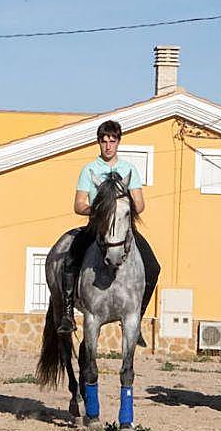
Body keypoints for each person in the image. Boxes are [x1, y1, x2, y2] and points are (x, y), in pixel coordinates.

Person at [60, 120, 160, 339]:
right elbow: (78, 205)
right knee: (70, 258)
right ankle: (68, 314)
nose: (108, 146)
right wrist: (99, 211)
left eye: (112, 141)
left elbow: (140, 204)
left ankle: (137, 318)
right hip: (97, 226)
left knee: (153, 266)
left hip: (124, 228)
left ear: (118, 142)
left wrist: (122, 210)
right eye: (104, 141)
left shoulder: (129, 170)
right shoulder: (89, 169)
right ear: (98, 143)